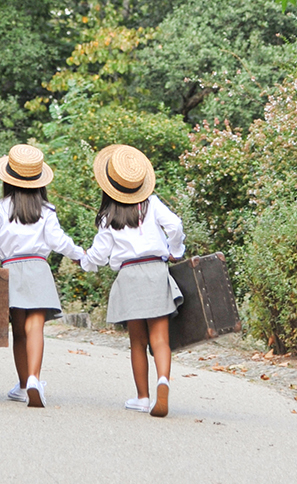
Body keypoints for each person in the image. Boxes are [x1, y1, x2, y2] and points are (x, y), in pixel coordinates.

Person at [79, 143, 185, 417]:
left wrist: (85, 261)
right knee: (160, 339)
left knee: (137, 342)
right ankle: (164, 380)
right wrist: (175, 251)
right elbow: (175, 225)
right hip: (155, 271)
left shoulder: (108, 216)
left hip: (128, 277)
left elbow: (99, 255)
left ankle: (142, 396)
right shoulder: (152, 204)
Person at [0, 143, 84, 408]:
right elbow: (58, 240)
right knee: (35, 327)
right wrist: (78, 254)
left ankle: (24, 385)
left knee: (19, 331)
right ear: (39, 182)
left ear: (8, 180)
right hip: (38, 269)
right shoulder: (46, 211)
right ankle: (35, 378)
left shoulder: (0, 207)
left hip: (11, 271)